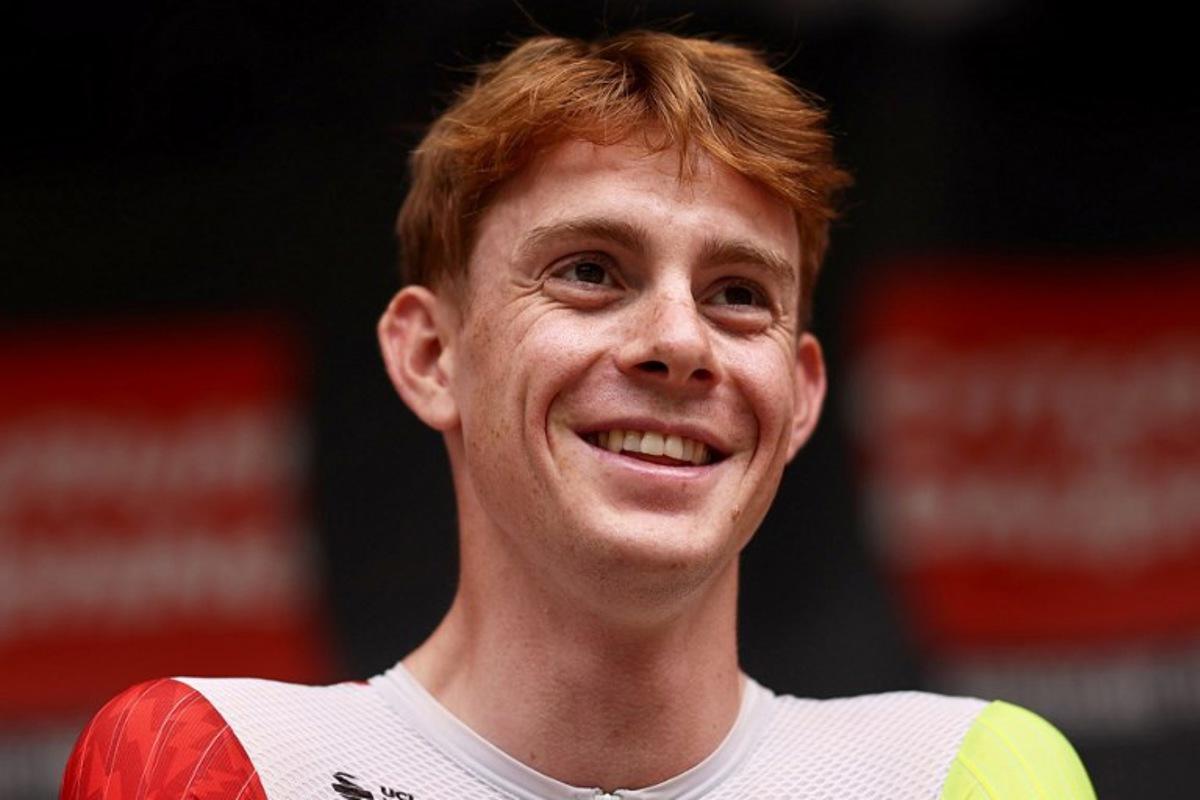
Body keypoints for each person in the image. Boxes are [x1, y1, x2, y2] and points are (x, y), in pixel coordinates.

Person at [60, 31, 1094, 799]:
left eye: (738, 293)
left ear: (803, 395)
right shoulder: (218, 761)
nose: (679, 340)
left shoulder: (959, 775)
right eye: (591, 271)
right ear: (430, 356)